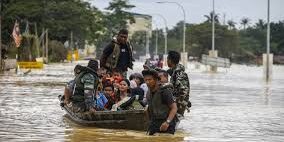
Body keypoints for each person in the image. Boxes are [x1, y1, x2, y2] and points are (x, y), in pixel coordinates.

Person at [142, 69, 177, 135]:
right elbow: (148, 109)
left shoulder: (165, 92)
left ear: (156, 80)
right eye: (146, 80)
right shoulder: (148, 93)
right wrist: (149, 123)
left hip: (167, 123)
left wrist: (167, 122)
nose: (147, 82)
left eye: (150, 80)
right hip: (154, 123)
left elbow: (174, 108)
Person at [167, 51, 191, 117]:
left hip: (178, 105)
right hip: (176, 102)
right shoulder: (174, 72)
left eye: (167, 59)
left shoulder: (179, 74)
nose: (167, 61)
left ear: (170, 60)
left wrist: (176, 103)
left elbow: (184, 91)